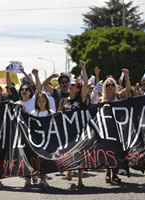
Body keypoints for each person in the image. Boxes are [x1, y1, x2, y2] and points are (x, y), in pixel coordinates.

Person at [58, 60, 88, 189]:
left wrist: (83, 68)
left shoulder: (80, 98)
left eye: (73, 84)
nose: (70, 86)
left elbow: (86, 83)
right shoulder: (63, 100)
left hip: (79, 131)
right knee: (68, 152)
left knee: (80, 154)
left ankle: (80, 180)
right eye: (70, 84)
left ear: (78, 88)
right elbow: (58, 114)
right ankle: (69, 170)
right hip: (66, 132)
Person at [98, 68, 131, 184]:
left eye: (112, 84)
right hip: (106, 129)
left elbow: (127, 90)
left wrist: (127, 76)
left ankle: (115, 174)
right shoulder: (101, 100)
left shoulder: (118, 96)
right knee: (108, 152)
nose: (110, 87)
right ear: (105, 87)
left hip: (118, 128)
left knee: (117, 151)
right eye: (108, 85)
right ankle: (108, 172)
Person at [30, 92, 55, 189]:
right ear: (36, 102)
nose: (41, 103)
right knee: (36, 160)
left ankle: (43, 179)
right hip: (36, 140)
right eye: (39, 101)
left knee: (44, 160)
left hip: (47, 140)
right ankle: (36, 175)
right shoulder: (33, 113)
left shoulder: (51, 113)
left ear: (46, 102)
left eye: (43, 101)